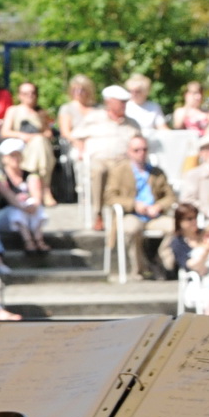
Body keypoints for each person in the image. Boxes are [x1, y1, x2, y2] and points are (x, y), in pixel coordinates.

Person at [98, 135, 174, 280]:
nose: (141, 153)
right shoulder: (119, 171)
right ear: (129, 152)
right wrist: (134, 204)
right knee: (132, 228)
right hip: (130, 214)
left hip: (154, 216)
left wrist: (158, 206)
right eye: (136, 150)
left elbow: (170, 196)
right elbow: (109, 197)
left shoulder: (156, 172)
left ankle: (160, 261)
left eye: (144, 149)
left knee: (176, 226)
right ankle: (140, 268)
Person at [75, 86, 142, 228]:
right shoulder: (94, 118)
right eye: (121, 102)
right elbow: (76, 136)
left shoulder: (132, 123)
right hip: (100, 159)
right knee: (98, 170)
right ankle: (98, 213)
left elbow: (139, 142)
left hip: (123, 161)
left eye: (125, 102)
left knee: (129, 171)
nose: (124, 105)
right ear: (109, 102)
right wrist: (81, 150)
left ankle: (126, 212)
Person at [0, 80, 56, 194]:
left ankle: (40, 185)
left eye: (32, 93)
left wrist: (36, 136)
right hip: (21, 147)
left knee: (39, 142)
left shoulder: (41, 112)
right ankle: (45, 188)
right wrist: (23, 135)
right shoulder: (13, 110)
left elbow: (48, 133)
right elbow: (5, 132)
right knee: (39, 143)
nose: (30, 96)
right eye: (26, 93)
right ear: (19, 95)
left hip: (39, 146)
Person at [0, 138, 50, 252]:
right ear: (4, 158)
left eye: (17, 155)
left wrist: (32, 205)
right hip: (6, 216)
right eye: (11, 155)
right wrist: (23, 207)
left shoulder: (30, 175)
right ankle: (28, 241)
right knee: (16, 209)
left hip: (28, 215)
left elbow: (36, 196)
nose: (15, 158)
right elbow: (9, 196)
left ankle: (39, 239)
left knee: (35, 206)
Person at [158, 203, 203, 277]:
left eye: (195, 217)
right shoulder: (178, 242)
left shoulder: (207, 235)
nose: (194, 221)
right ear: (179, 221)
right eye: (189, 219)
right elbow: (186, 265)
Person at [57, 74, 98, 143]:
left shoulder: (97, 108)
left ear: (88, 91)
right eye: (75, 90)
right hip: (76, 143)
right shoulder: (67, 108)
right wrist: (77, 142)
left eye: (82, 90)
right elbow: (65, 132)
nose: (78, 92)